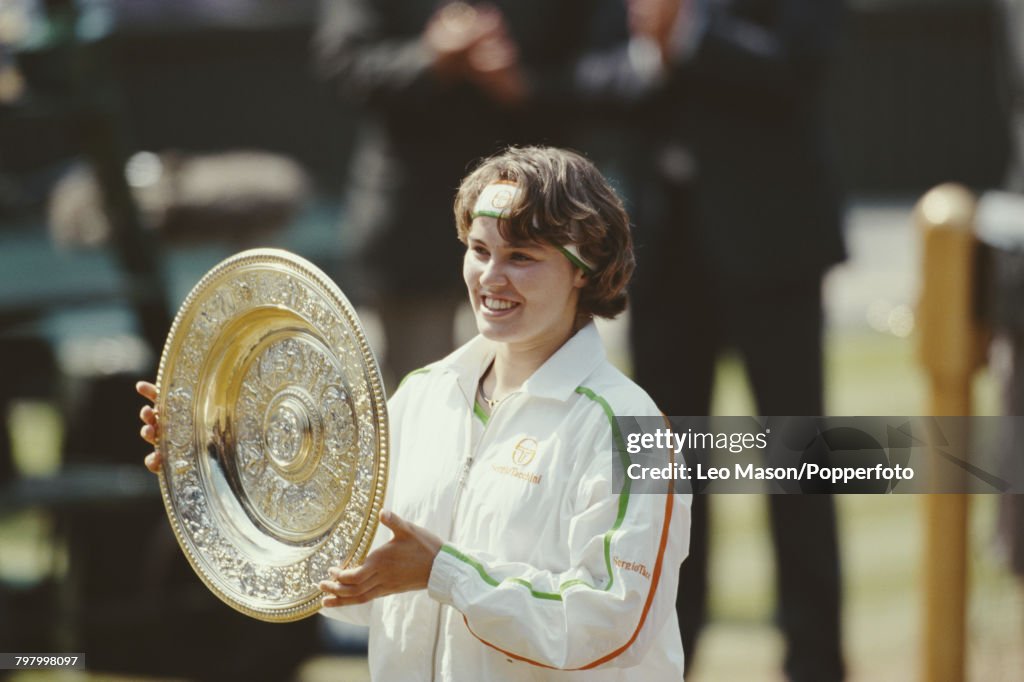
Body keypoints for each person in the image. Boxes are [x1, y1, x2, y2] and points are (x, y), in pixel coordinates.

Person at [138, 146, 690, 680]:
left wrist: (446, 573)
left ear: (585, 270)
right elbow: (346, 571)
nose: (491, 277)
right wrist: (216, 474)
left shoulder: (631, 430)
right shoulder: (422, 396)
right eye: (479, 249)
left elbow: (616, 621)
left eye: (522, 256)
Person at [624, 1, 847, 679]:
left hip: (773, 242)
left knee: (801, 463)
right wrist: (648, 53)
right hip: (662, 252)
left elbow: (803, 61)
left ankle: (816, 663)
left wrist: (686, 35)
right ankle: (666, 660)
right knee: (666, 477)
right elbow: (589, 66)